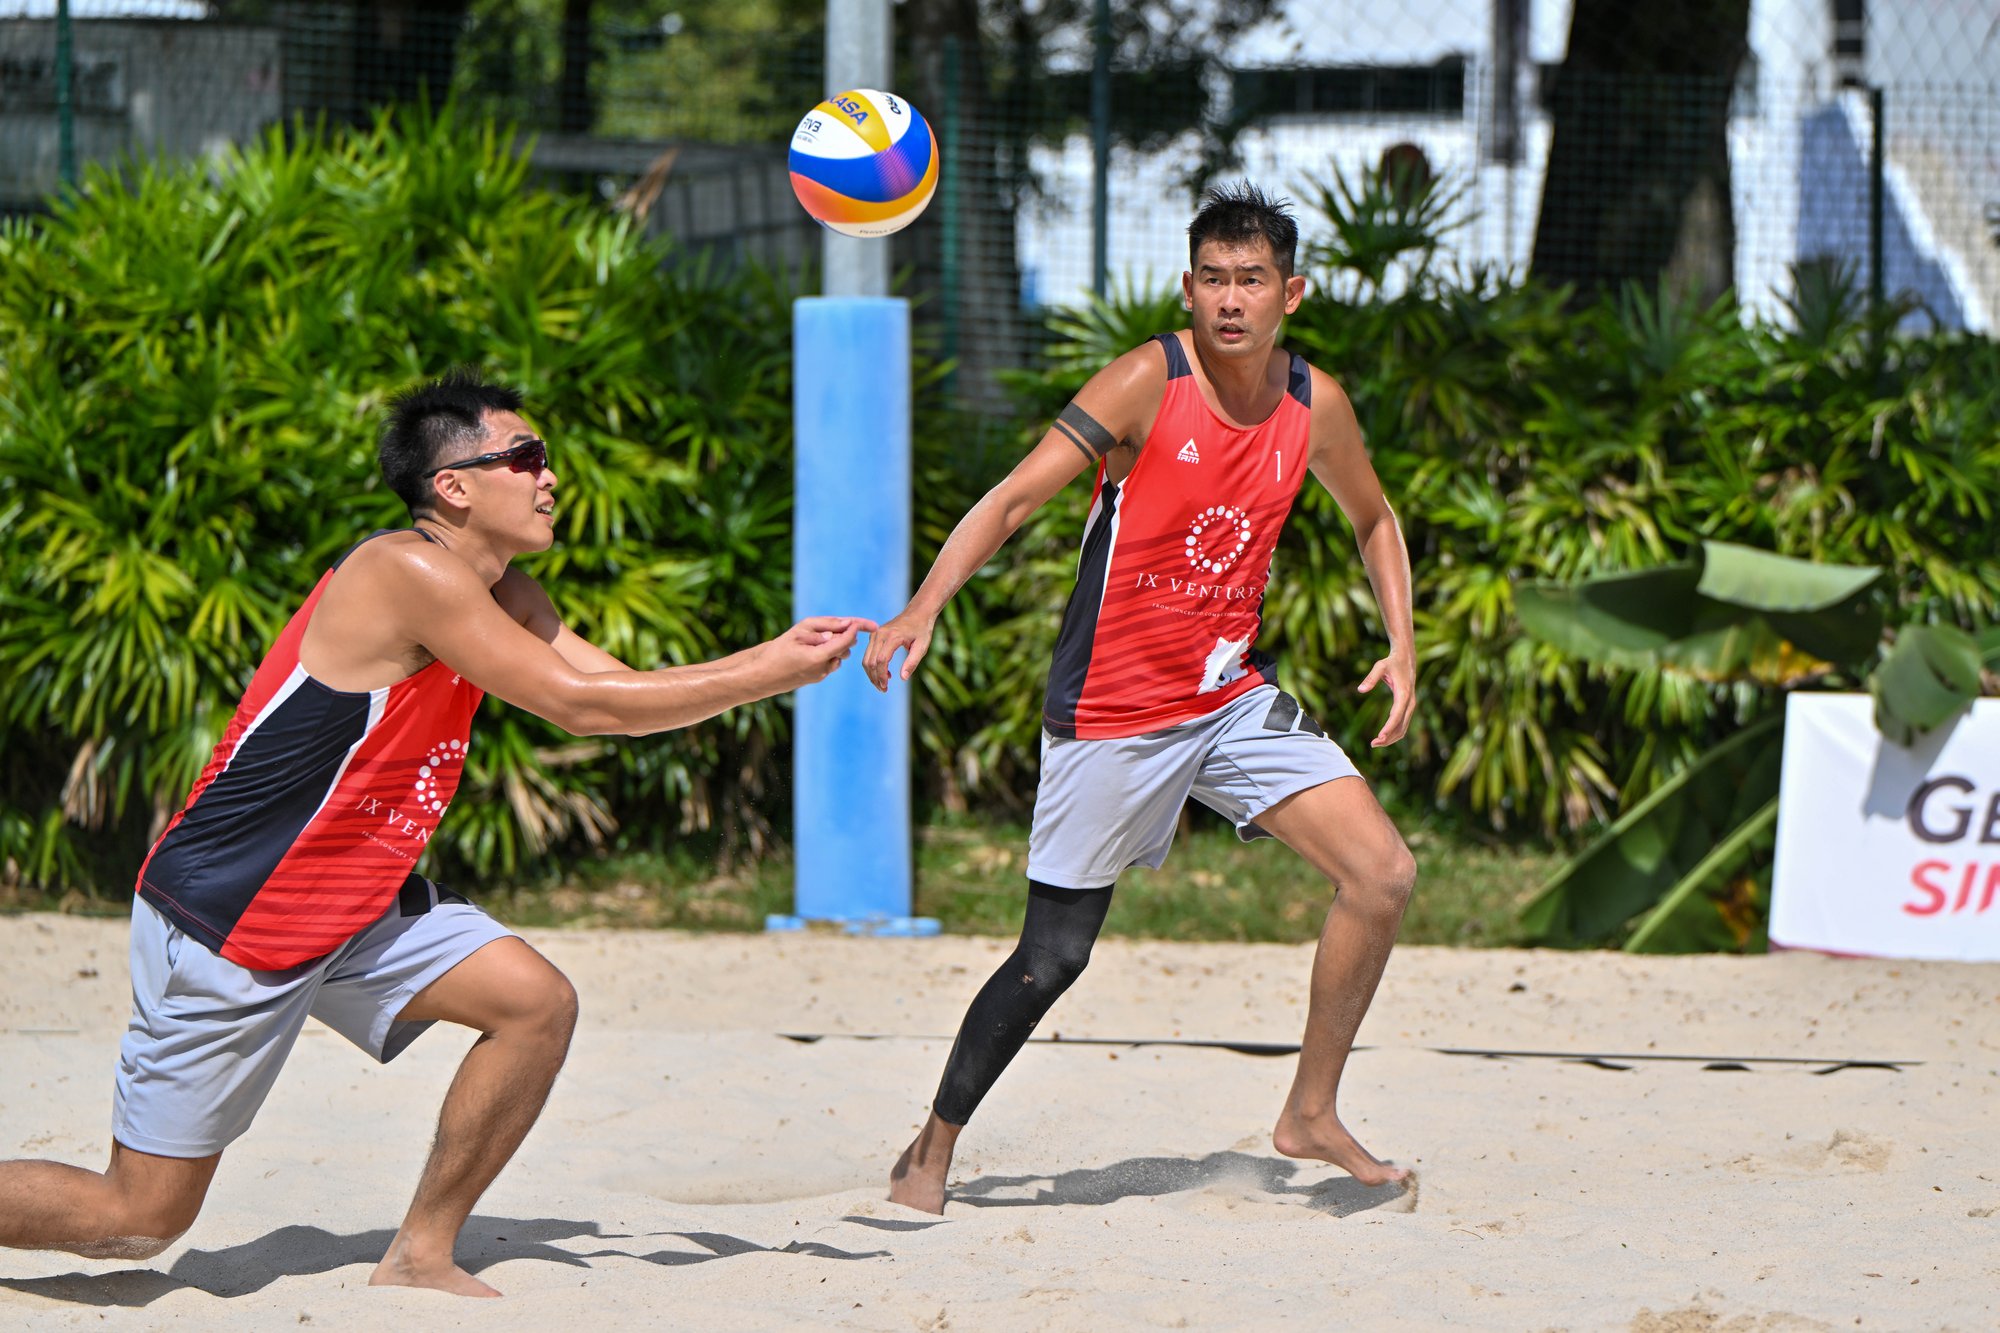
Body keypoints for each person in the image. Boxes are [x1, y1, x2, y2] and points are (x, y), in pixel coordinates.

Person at [0, 370, 872, 1295]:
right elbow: (580, 707)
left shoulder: (504, 586)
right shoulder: (404, 570)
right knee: (140, 1216)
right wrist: (764, 671)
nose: (549, 477)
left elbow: (616, 685)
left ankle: (420, 1252)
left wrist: (766, 664)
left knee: (534, 1004)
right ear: (452, 486)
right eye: (526, 458)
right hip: (237, 913)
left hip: (349, 900)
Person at [865, 184, 1418, 1214]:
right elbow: (1014, 496)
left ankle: (1308, 1110)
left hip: (1228, 696)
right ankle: (929, 1148)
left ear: (1288, 292)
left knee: (1381, 873)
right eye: (1211, 278)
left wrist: (1403, 643)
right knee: (1052, 956)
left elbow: (1373, 518)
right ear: (1187, 286)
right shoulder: (1143, 381)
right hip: (1112, 708)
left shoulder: (1313, 404)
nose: (1229, 299)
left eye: (1250, 279)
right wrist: (920, 609)